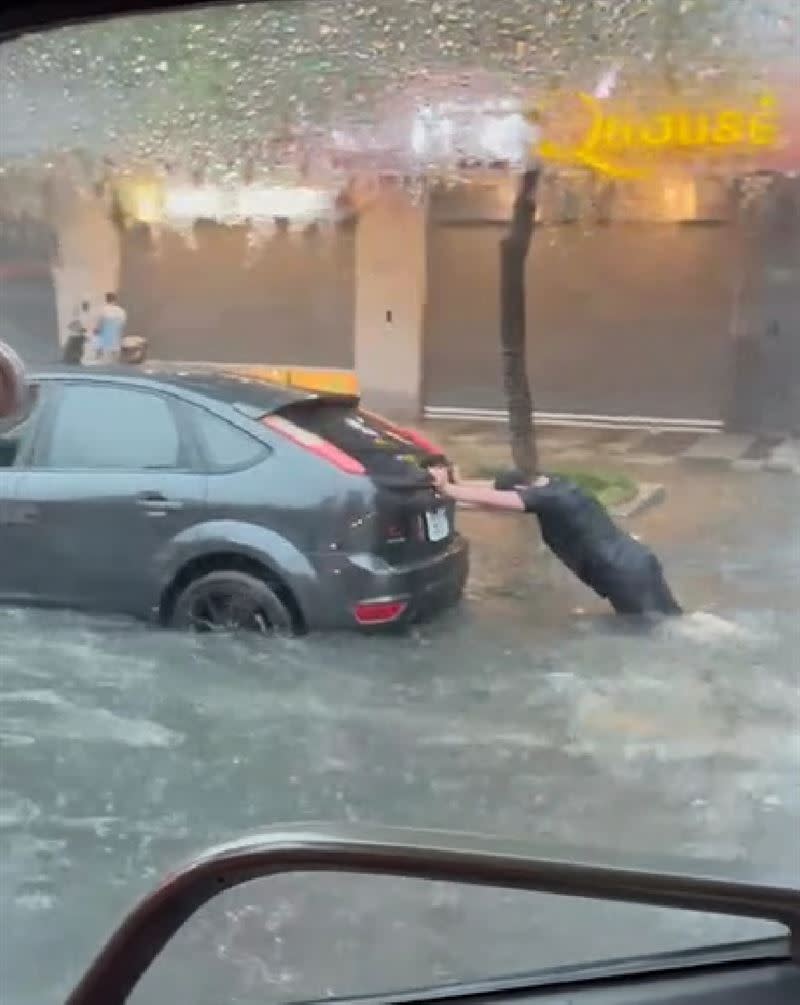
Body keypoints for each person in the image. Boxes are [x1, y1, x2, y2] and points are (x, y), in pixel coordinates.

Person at [430, 465, 682, 617]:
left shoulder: (547, 500)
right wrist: (459, 484)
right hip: (638, 560)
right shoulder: (557, 485)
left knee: (651, 632)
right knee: (670, 620)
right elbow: (492, 494)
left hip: (621, 574)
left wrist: (448, 489)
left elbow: (496, 500)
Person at [93, 292, 127, 363]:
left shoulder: (102, 310)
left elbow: (97, 327)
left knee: (102, 363)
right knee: (114, 363)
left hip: (103, 342)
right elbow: (122, 326)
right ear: (115, 300)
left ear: (106, 299)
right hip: (116, 342)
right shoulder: (121, 311)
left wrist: (95, 339)